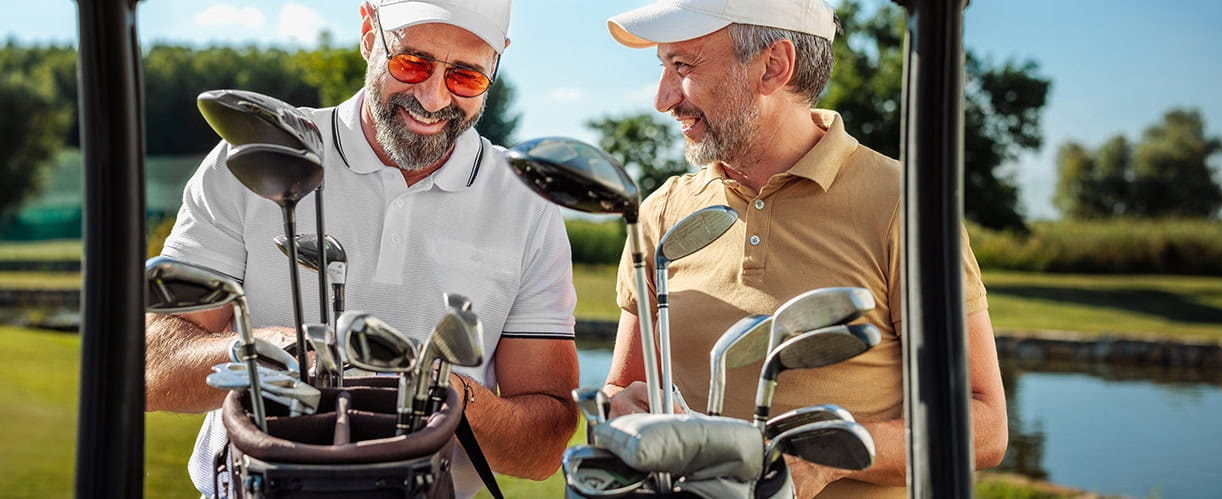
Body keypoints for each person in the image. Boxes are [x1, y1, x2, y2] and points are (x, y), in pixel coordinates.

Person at [144, 1, 579, 497]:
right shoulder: (256, 155)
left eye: (466, 77)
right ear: (369, 32)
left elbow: (543, 448)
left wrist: (446, 392)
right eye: (412, 62)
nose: (434, 98)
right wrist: (278, 352)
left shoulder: (528, 202)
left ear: (496, 64)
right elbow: (151, 367)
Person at [599, 0, 1008, 497]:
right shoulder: (662, 210)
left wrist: (824, 456)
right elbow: (622, 388)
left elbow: (983, 425)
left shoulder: (906, 205)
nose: (664, 99)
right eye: (663, 66)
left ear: (774, 65)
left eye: (683, 66)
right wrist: (620, 408)